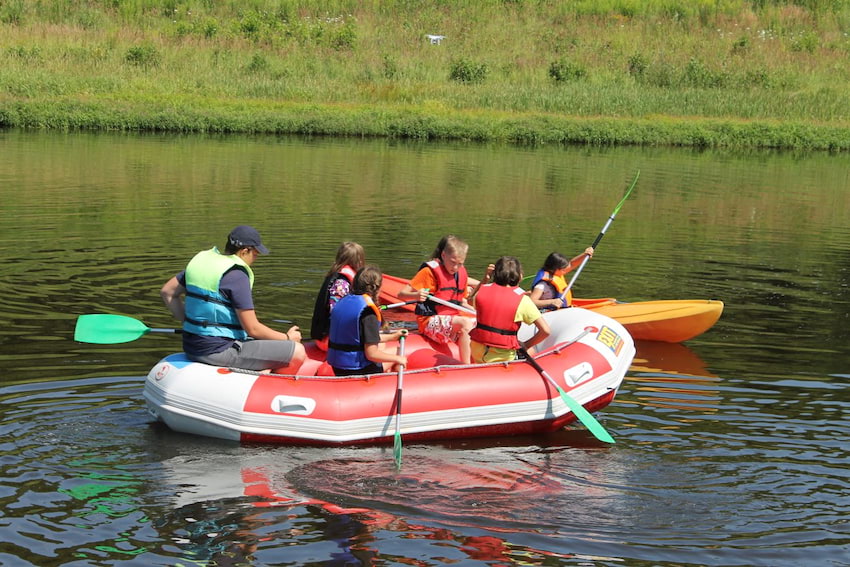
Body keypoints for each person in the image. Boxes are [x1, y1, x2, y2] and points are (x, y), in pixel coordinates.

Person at [160, 225, 305, 373]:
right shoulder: (237, 275)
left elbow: (167, 292)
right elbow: (253, 329)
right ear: (244, 251)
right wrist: (287, 338)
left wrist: (189, 322)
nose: (256, 257)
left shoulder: (203, 264)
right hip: (218, 351)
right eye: (255, 253)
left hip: (191, 346)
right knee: (297, 351)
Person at [397, 235, 482, 364]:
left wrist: (478, 314)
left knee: (479, 321)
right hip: (430, 321)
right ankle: (467, 367)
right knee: (465, 323)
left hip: (451, 319)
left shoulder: (460, 274)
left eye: (460, 264)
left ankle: (481, 361)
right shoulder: (429, 272)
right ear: (443, 255)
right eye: (453, 262)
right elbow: (401, 294)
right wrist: (416, 296)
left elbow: (461, 302)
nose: (455, 268)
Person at [326, 265, 408, 376]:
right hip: (358, 370)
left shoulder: (343, 301)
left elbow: (359, 338)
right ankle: (387, 385)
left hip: (338, 367)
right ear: (377, 288)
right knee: (399, 351)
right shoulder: (368, 312)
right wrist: (398, 359)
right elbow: (371, 354)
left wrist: (392, 337)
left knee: (382, 346)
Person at [469, 256, 551, 363]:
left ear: (495, 274)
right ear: (520, 277)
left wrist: (485, 279)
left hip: (477, 353)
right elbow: (545, 331)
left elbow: (470, 300)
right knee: (531, 351)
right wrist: (526, 345)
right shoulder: (523, 300)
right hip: (503, 358)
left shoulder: (481, 293)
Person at [309, 241, 366, 350]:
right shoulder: (341, 284)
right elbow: (338, 315)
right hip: (330, 342)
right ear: (358, 261)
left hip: (328, 337)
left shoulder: (337, 277)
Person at [529, 248, 594, 311]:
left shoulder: (556, 272)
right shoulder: (542, 285)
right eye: (563, 270)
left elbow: (571, 264)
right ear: (554, 269)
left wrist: (585, 255)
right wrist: (551, 302)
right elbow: (532, 302)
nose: (566, 271)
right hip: (547, 312)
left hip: (563, 310)